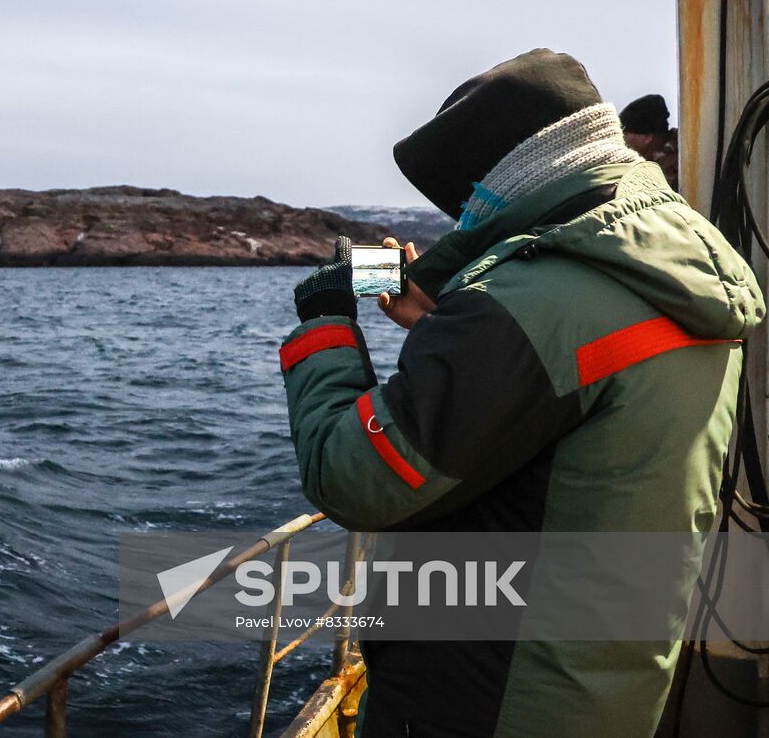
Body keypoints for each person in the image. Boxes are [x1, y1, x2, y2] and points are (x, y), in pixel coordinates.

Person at [279, 49, 764, 737]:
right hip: (601, 685)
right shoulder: (673, 260)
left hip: (483, 702)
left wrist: (326, 323)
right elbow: (572, 406)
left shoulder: (527, 308)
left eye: (470, 200)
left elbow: (351, 475)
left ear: (512, 179)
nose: (463, 217)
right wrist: (448, 321)